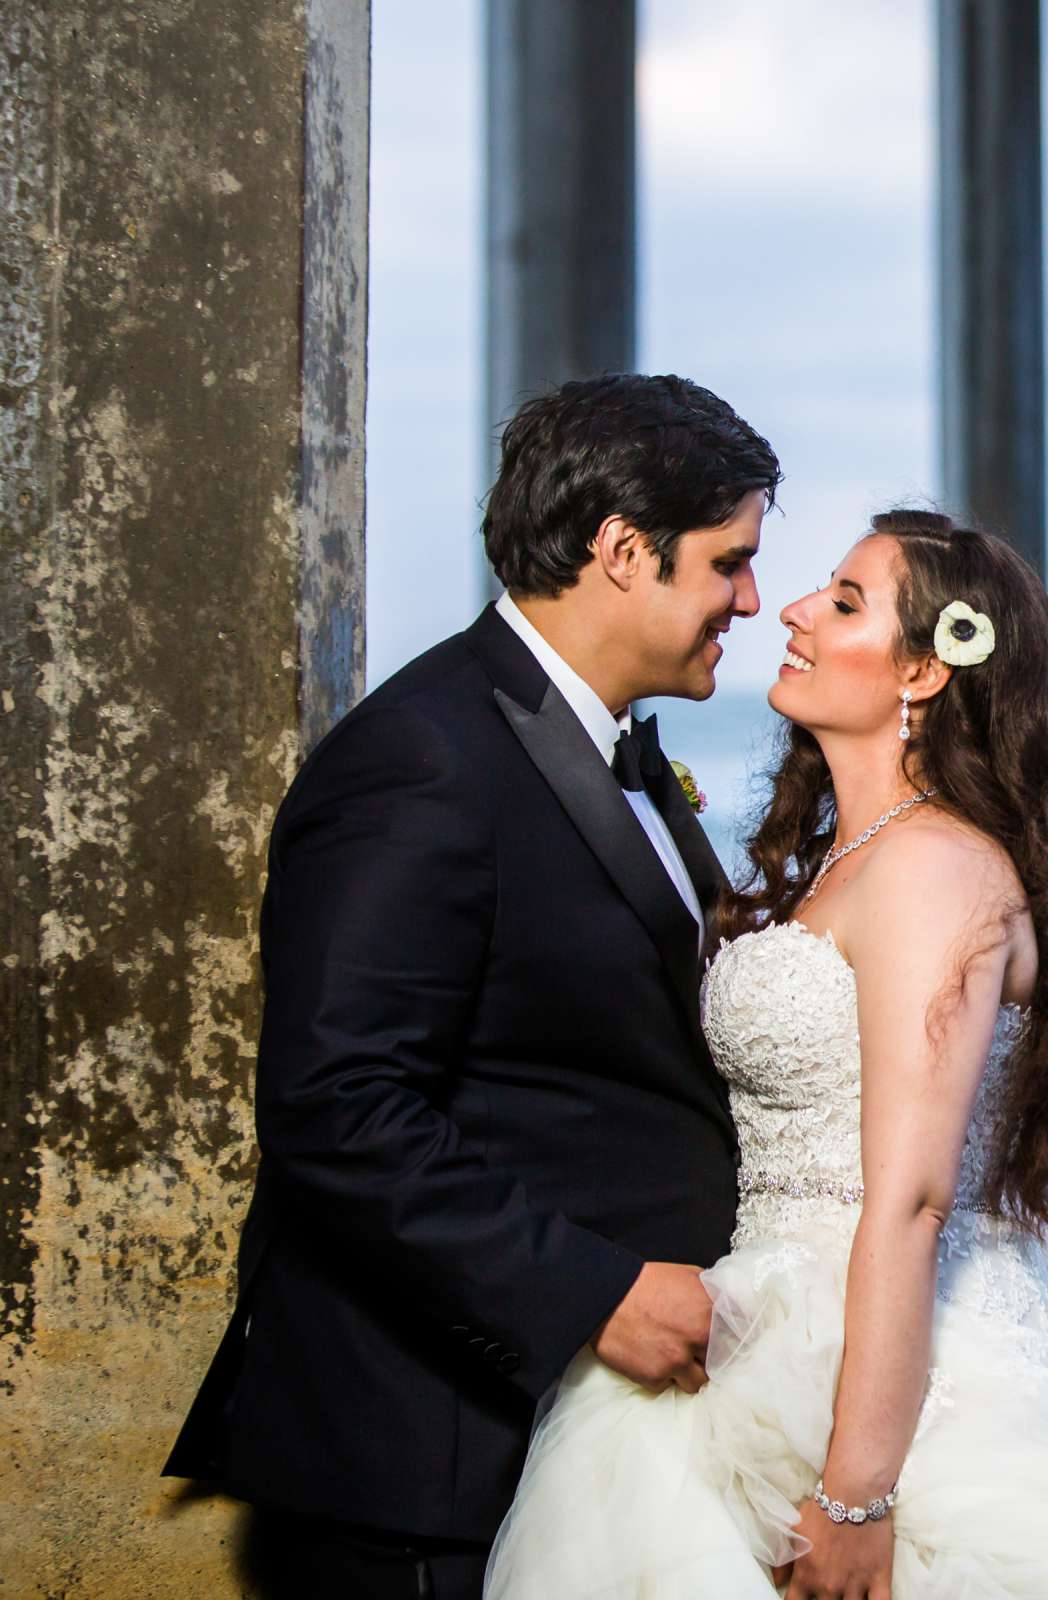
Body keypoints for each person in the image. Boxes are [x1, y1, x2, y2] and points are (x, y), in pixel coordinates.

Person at [485, 510, 1048, 1598]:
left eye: (844, 602)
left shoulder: (938, 867)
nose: (793, 612)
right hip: (771, 1323)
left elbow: (909, 1197)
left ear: (924, 673)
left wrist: (858, 1493)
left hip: (895, 1376)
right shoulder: (850, 859)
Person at [163, 373, 782, 1597]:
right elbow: (336, 1103)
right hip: (430, 1456)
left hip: (584, 1452)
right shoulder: (424, 757)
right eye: (727, 563)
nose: (751, 601)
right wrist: (593, 1288)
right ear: (622, 550)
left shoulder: (625, 755)